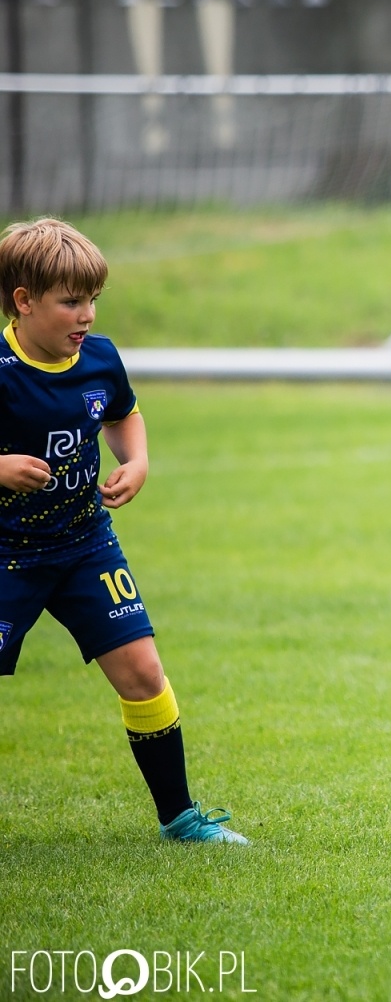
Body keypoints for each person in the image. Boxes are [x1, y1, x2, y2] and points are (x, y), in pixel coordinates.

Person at [0, 217, 245, 843]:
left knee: (143, 671)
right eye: (70, 302)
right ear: (23, 301)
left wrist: (135, 462)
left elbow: (123, 413)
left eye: (92, 300)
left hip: (86, 545)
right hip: (6, 556)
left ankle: (181, 819)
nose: (86, 315)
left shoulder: (100, 358)